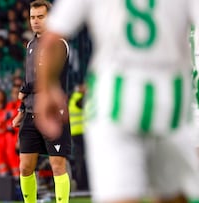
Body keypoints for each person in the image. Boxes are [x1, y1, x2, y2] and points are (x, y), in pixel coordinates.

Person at [34, 0, 199, 203]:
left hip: (113, 103)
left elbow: (52, 39)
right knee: (174, 195)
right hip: (170, 102)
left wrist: (48, 88)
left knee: (119, 196)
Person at [12, 1, 71, 202]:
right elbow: (30, 78)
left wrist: (23, 89)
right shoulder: (30, 45)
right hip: (30, 114)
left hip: (54, 113)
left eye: (40, 17)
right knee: (25, 167)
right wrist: (21, 108)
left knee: (57, 166)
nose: (35, 21)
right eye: (32, 17)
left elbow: (48, 79)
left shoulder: (59, 43)